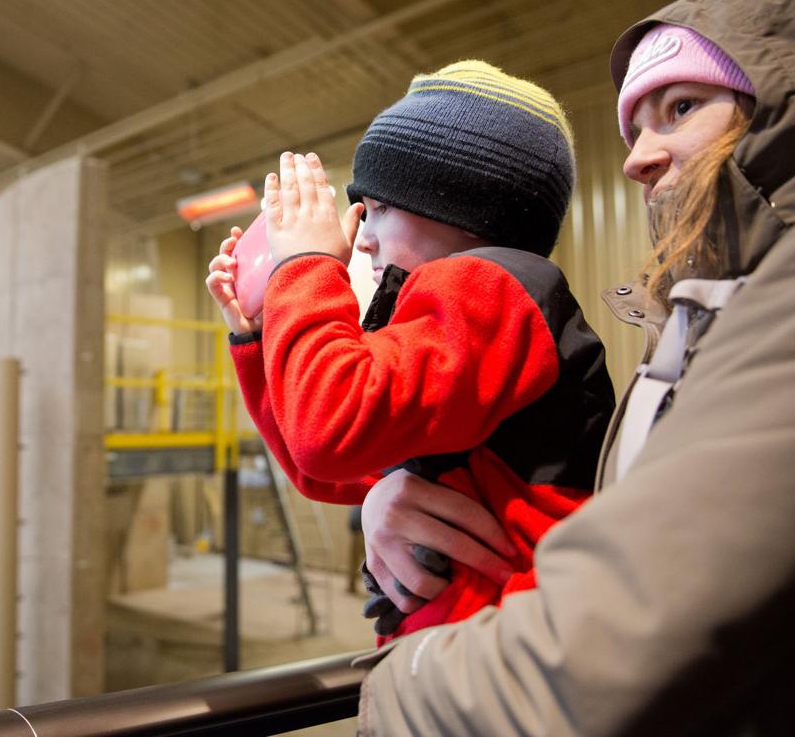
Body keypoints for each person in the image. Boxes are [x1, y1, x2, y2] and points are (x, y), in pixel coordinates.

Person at [356, 0, 795, 734]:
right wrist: (385, 501)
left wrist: (395, 684)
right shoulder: (691, 327)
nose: (636, 157)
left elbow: (621, 643)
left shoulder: (501, 295)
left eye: (679, 106)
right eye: (632, 124)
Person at [205, 61, 616, 640]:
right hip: (477, 647)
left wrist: (306, 265)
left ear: (461, 205)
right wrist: (258, 331)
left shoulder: (491, 288)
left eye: (378, 209)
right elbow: (319, 466)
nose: (362, 237)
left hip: (505, 663)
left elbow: (327, 432)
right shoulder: (461, 316)